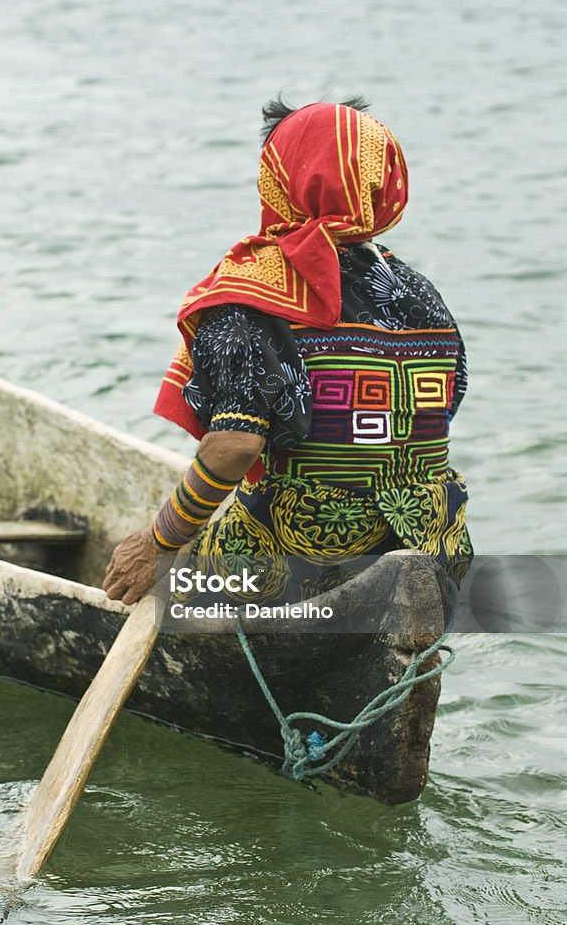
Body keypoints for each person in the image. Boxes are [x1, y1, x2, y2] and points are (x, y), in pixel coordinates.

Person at [103, 97, 472, 606]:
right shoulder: (421, 294)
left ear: (279, 179)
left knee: (174, 586)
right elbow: (443, 408)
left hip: (310, 547)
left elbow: (236, 444)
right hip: (436, 537)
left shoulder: (254, 289)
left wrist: (158, 541)